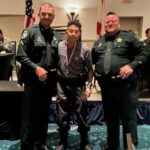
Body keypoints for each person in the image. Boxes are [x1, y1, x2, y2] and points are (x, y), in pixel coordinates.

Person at [91, 12, 150, 150]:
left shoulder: (129, 37)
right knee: (111, 119)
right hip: (106, 87)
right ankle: (112, 145)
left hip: (126, 87)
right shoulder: (99, 41)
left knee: (128, 120)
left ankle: (129, 147)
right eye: (107, 22)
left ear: (119, 23)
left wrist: (131, 66)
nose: (110, 24)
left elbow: (146, 53)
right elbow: (93, 60)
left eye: (113, 21)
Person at [16, 3, 61, 150]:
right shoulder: (30, 32)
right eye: (44, 14)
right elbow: (20, 55)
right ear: (39, 15)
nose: (47, 17)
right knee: (30, 116)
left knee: (43, 115)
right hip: (32, 81)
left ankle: (40, 143)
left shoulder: (57, 36)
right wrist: (36, 68)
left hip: (48, 83)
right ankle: (27, 145)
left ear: (53, 16)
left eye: (49, 14)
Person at [56, 20, 93, 150]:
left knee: (81, 113)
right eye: (70, 31)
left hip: (78, 85)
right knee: (62, 114)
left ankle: (84, 141)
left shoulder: (85, 48)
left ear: (79, 34)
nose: (73, 34)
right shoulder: (59, 46)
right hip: (62, 85)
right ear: (66, 32)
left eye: (76, 32)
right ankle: (63, 141)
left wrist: (89, 86)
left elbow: (90, 69)